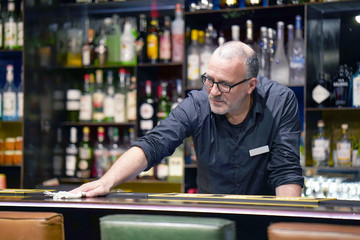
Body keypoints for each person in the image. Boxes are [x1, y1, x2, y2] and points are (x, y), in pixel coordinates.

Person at [71, 41, 304, 198]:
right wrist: (107, 181)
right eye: (209, 80)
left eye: (224, 84)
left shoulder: (280, 102)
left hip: (261, 216)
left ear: (250, 85)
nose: (213, 92)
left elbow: (286, 171)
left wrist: (286, 222)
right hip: (211, 217)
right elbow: (154, 144)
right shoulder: (198, 103)